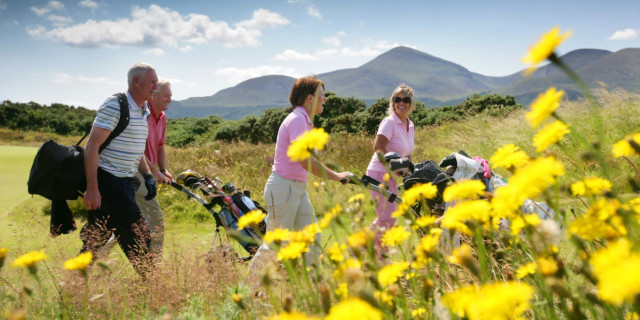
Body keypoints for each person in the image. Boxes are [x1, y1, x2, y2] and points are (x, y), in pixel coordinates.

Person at [246, 76, 351, 282]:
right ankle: (246, 292)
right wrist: (336, 176)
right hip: (283, 188)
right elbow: (304, 160)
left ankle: (310, 287)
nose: (325, 99)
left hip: (296, 189)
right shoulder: (297, 120)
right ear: (310, 98)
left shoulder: (305, 120)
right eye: (322, 95)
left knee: (312, 238)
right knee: (276, 243)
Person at [80, 62, 158, 274]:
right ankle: (153, 289)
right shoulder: (116, 105)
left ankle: (72, 286)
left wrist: (148, 175)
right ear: (136, 82)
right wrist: (93, 187)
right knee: (140, 237)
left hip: (125, 183)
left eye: (156, 83)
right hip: (108, 181)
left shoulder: (144, 109)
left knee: (95, 241)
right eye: (152, 82)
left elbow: (135, 148)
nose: (155, 87)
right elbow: (92, 145)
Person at [365, 83, 416, 258]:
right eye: (397, 99)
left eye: (406, 99)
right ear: (393, 102)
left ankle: (379, 255)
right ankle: (362, 247)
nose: (401, 103)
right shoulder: (389, 122)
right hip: (380, 172)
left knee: (390, 217)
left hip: (393, 175)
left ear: (411, 103)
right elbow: (378, 147)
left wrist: (409, 169)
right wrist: (394, 165)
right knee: (387, 217)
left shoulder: (410, 125)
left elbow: (407, 153)